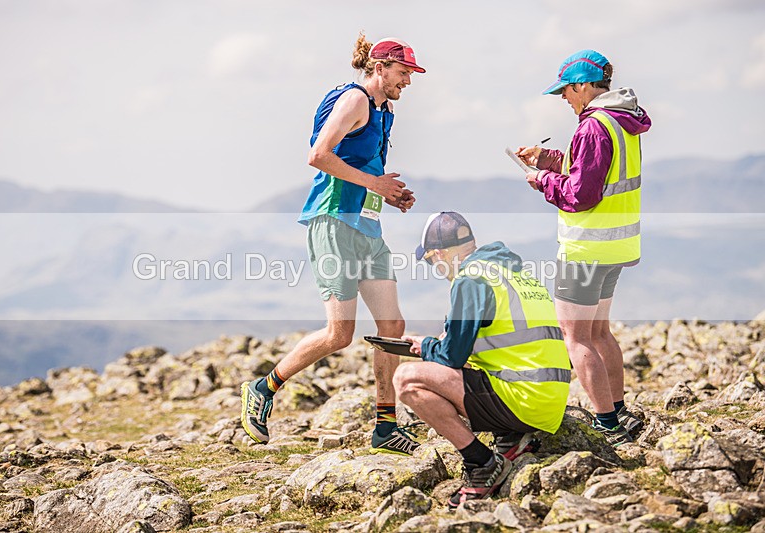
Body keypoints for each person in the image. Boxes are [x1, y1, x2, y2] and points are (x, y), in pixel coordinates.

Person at [241, 33, 425, 455]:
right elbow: (318, 155)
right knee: (340, 334)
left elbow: (363, 165)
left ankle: (385, 426)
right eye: (404, 73)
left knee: (392, 328)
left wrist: (388, 192)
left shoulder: (385, 109)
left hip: (367, 226)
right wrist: (373, 182)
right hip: (333, 221)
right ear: (380, 68)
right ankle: (263, 388)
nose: (409, 82)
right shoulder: (355, 100)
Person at [516, 50, 652, 445]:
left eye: (565, 90)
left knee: (574, 336)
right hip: (617, 245)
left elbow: (581, 193)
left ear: (582, 85)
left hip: (586, 247)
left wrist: (542, 180)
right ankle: (620, 411)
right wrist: (547, 158)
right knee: (599, 332)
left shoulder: (592, 126)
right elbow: (591, 169)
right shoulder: (621, 121)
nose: (563, 98)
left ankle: (607, 425)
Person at [398, 212, 571, 509]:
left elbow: (452, 357)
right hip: (548, 401)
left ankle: (483, 463)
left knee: (407, 379)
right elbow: (506, 341)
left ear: (439, 254)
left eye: (430, 261)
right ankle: (511, 437)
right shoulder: (514, 273)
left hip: (525, 400)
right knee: (464, 363)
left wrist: (426, 346)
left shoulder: (471, 279)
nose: (436, 269)